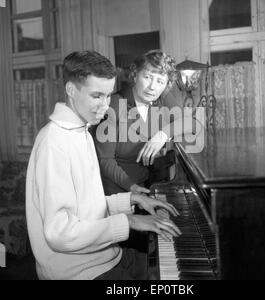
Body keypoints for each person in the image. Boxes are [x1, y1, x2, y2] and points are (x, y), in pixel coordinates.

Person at [26, 51, 181, 280]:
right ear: (71, 90)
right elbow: (59, 233)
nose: (105, 105)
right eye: (97, 95)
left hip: (107, 256)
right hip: (80, 272)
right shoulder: (54, 143)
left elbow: (86, 208)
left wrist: (131, 200)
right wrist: (129, 220)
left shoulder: (82, 131)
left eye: (108, 96)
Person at [93, 50, 196, 196]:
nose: (152, 87)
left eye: (160, 81)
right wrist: (132, 187)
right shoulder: (114, 104)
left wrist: (163, 135)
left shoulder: (162, 98)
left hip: (150, 186)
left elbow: (191, 123)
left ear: (166, 85)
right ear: (135, 75)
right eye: (147, 77)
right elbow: (105, 160)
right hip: (119, 190)